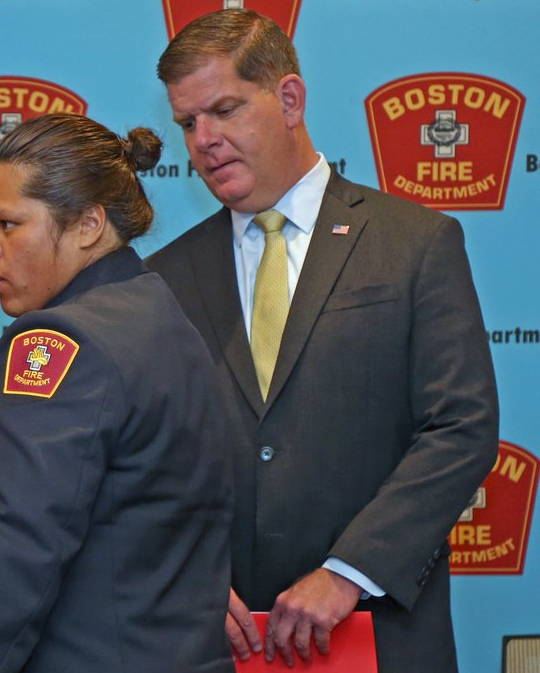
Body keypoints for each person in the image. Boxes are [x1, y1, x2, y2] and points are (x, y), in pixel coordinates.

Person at [147, 9, 499, 672]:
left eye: (223, 109)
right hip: (213, 645)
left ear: (289, 99)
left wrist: (348, 571)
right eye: (188, 123)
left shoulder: (415, 244)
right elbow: (145, 455)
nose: (205, 140)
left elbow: (462, 426)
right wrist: (182, 569)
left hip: (378, 631)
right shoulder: (163, 275)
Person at [0, 113, 234, 673]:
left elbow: (5, 568)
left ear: (88, 225)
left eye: (9, 224)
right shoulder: (157, 312)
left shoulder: (59, 341)